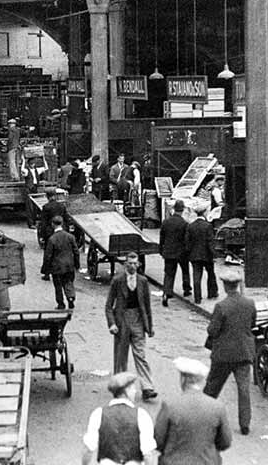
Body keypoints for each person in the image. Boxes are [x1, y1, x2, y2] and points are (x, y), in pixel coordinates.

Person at [203, 268, 257, 435]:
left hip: (223, 355)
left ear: (225, 286)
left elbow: (212, 330)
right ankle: (245, 424)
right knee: (243, 389)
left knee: (212, 387)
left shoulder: (221, 306)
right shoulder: (250, 303)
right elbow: (252, 324)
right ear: (238, 284)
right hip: (243, 353)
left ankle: (203, 418)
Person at [155, 357, 232, 464]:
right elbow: (225, 442)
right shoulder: (217, 407)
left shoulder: (170, 405)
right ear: (201, 381)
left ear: (183, 380)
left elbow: (158, 440)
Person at [106, 252, 157, 400]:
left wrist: (150, 327)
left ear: (139, 265)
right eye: (130, 264)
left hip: (138, 320)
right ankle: (120, 386)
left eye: (135, 264)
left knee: (140, 354)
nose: (133, 266)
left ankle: (147, 387)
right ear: (125, 265)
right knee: (121, 356)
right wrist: (112, 324)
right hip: (122, 320)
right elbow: (109, 306)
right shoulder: (117, 280)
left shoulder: (143, 281)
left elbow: (147, 306)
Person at [81, 372, 158, 465]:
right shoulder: (141, 415)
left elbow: (89, 448)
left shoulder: (98, 414)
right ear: (127, 391)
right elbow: (148, 453)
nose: (135, 391)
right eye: (133, 388)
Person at [42, 215, 79, 309]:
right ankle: (70, 298)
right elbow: (76, 251)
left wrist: (46, 269)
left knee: (58, 286)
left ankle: (61, 304)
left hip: (57, 267)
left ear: (52, 224)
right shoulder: (70, 237)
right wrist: (76, 264)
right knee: (68, 282)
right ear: (62, 223)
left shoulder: (52, 239)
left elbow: (48, 255)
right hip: (69, 265)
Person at [159, 199, 191, 306]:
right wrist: (188, 251)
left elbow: (161, 238)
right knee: (185, 271)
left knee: (169, 273)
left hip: (168, 251)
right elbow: (187, 240)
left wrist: (161, 250)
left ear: (174, 209)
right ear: (182, 210)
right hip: (182, 253)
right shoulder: (184, 224)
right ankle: (186, 289)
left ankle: (167, 292)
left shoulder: (166, 222)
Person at [186, 204, 218, 304]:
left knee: (196, 276)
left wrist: (189, 253)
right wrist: (214, 254)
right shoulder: (208, 226)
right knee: (211, 274)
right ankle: (212, 293)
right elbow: (210, 241)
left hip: (194, 255)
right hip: (206, 255)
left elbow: (187, 242)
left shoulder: (191, 226)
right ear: (204, 213)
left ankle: (197, 297)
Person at [39, 187, 68, 277]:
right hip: (61, 230)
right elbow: (66, 219)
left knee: (48, 253)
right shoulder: (62, 206)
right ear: (55, 196)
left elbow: (43, 223)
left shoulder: (46, 207)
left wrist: (42, 236)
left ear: (47, 196)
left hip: (50, 232)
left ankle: (47, 273)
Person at [22, 156, 49, 228]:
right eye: (31, 164)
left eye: (33, 164)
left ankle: (34, 222)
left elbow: (46, 168)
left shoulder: (37, 170)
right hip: (28, 189)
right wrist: (23, 161)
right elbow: (22, 169)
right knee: (29, 207)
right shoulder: (26, 171)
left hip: (35, 188)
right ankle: (30, 224)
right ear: (28, 164)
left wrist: (44, 159)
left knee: (35, 207)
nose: (32, 165)